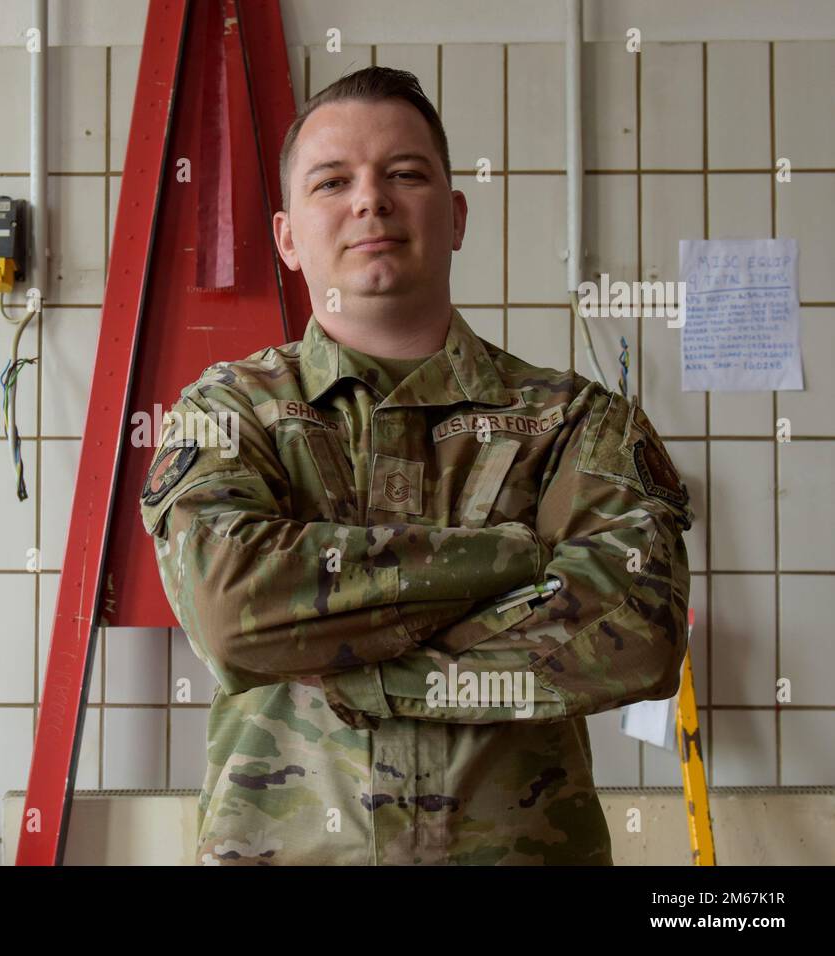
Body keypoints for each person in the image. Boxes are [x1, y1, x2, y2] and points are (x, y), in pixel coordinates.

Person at [139, 67, 693, 865]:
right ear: (288, 236)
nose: (371, 200)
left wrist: (366, 674)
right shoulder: (230, 411)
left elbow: (638, 630)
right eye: (333, 181)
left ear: (456, 216)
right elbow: (233, 613)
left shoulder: (573, 421)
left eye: (405, 173)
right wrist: (521, 559)